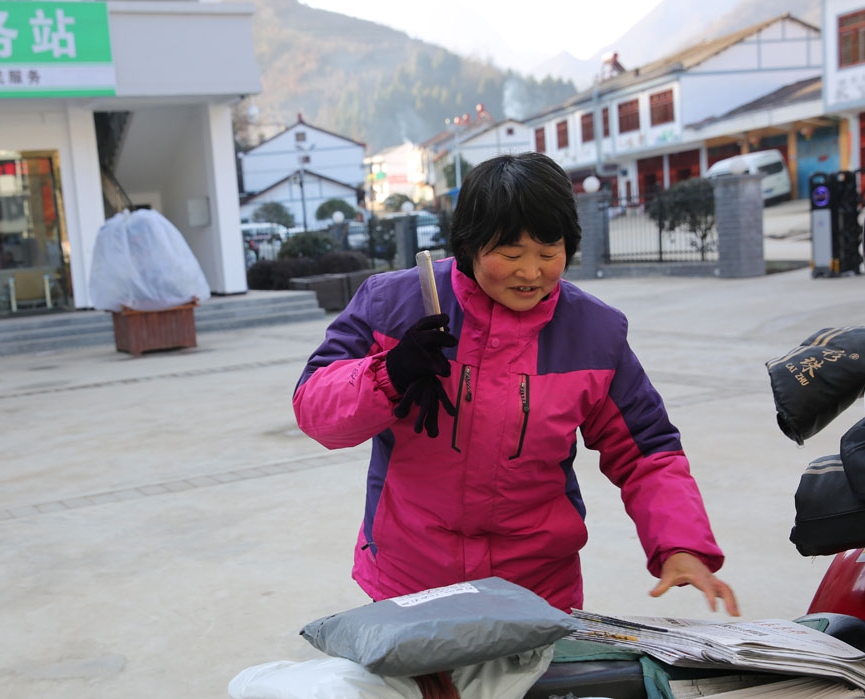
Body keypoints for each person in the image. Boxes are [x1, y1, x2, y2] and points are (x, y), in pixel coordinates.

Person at [292, 153, 739, 616]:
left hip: (536, 592)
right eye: (510, 254)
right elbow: (314, 411)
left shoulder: (593, 333)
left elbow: (647, 451)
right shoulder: (395, 303)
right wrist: (391, 371)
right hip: (410, 582)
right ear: (470, 245)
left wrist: (681, 545)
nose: (532, 273)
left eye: (549, 253)